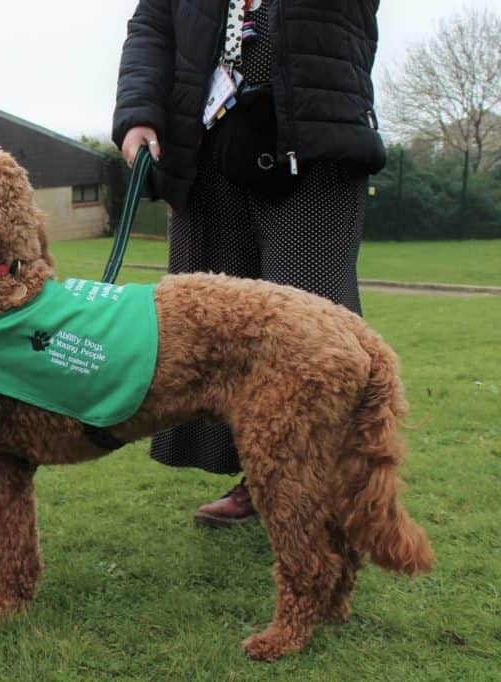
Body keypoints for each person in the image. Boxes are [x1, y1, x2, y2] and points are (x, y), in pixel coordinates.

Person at [112, 0, 384, 528]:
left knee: (312, 326)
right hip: (209, 147)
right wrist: (138, 115)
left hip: (313, 140)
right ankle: (262, 479)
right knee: (220, 327)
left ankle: (333, 485)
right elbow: (151, 28)